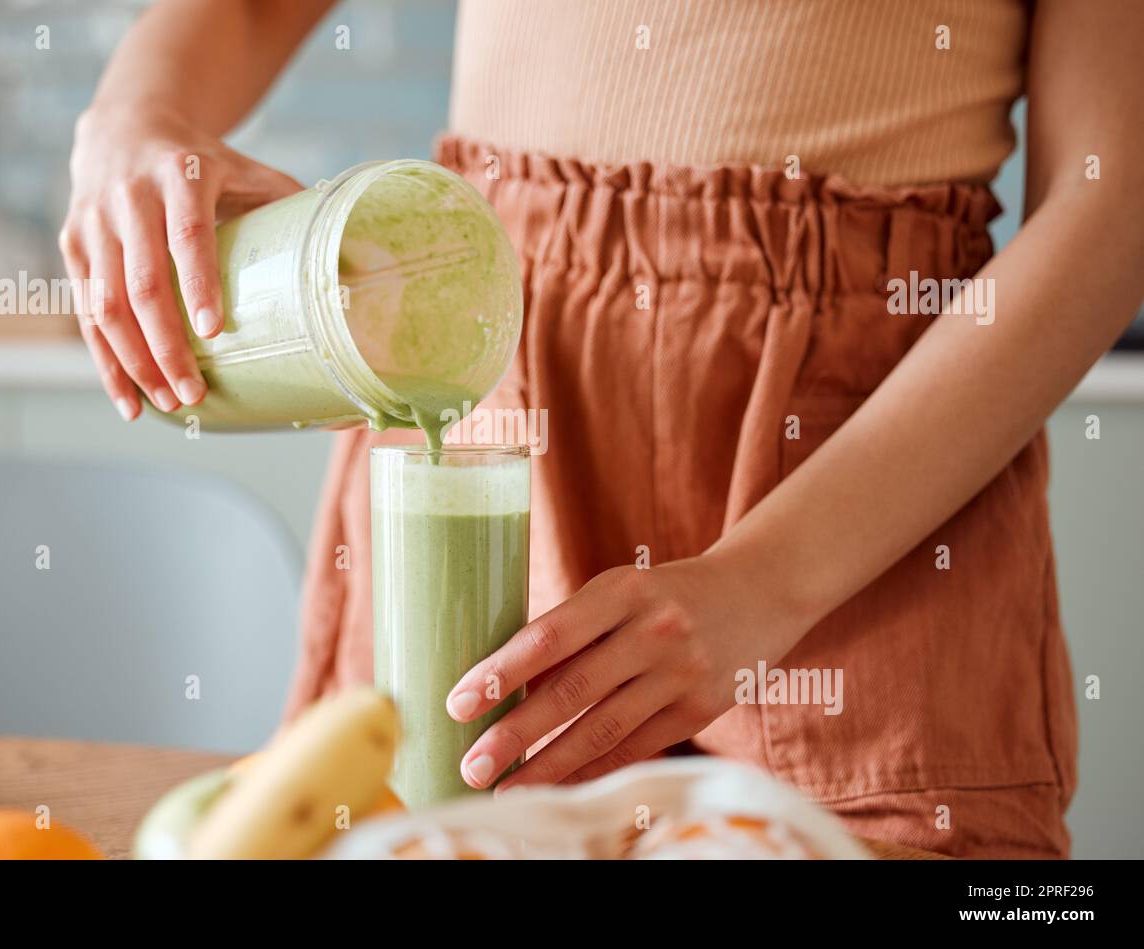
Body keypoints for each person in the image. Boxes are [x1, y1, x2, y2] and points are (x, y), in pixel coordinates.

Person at [61, 0, 1144, 857]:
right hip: (484, 379)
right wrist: (129, 116)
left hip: (858, 510)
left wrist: (767, 578)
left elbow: (1111, 206)